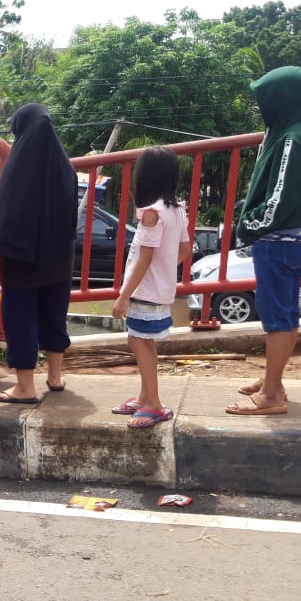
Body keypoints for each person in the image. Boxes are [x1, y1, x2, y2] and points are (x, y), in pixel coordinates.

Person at [226, 66, 301, 416]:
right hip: (293, 238)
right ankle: (274, 380)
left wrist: (247, 227)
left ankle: (271, 395)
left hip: (279, 239)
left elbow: (278, 200)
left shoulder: (292, 140)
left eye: (266, 100)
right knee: (285, 314)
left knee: (276, 317)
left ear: (283, 100)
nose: (262, 108)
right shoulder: (300, 130)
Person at [0, 103, 77, 403]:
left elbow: (1, 215)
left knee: (21, 317)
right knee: (54, 314)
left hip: (22, 260)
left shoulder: (16, 169)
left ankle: (24, 387)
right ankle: (55, 376)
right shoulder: (66, 169)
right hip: (60, 258)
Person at [110, 147, 193, 428]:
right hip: (160, 288)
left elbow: (144, 258)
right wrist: (166, 266)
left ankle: (154, 404)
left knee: (139, 342)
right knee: (143, 341)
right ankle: (146, 396)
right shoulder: (176, 209)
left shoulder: (151, 213)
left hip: (144, 290)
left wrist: (123, 296)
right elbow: (185, 248)